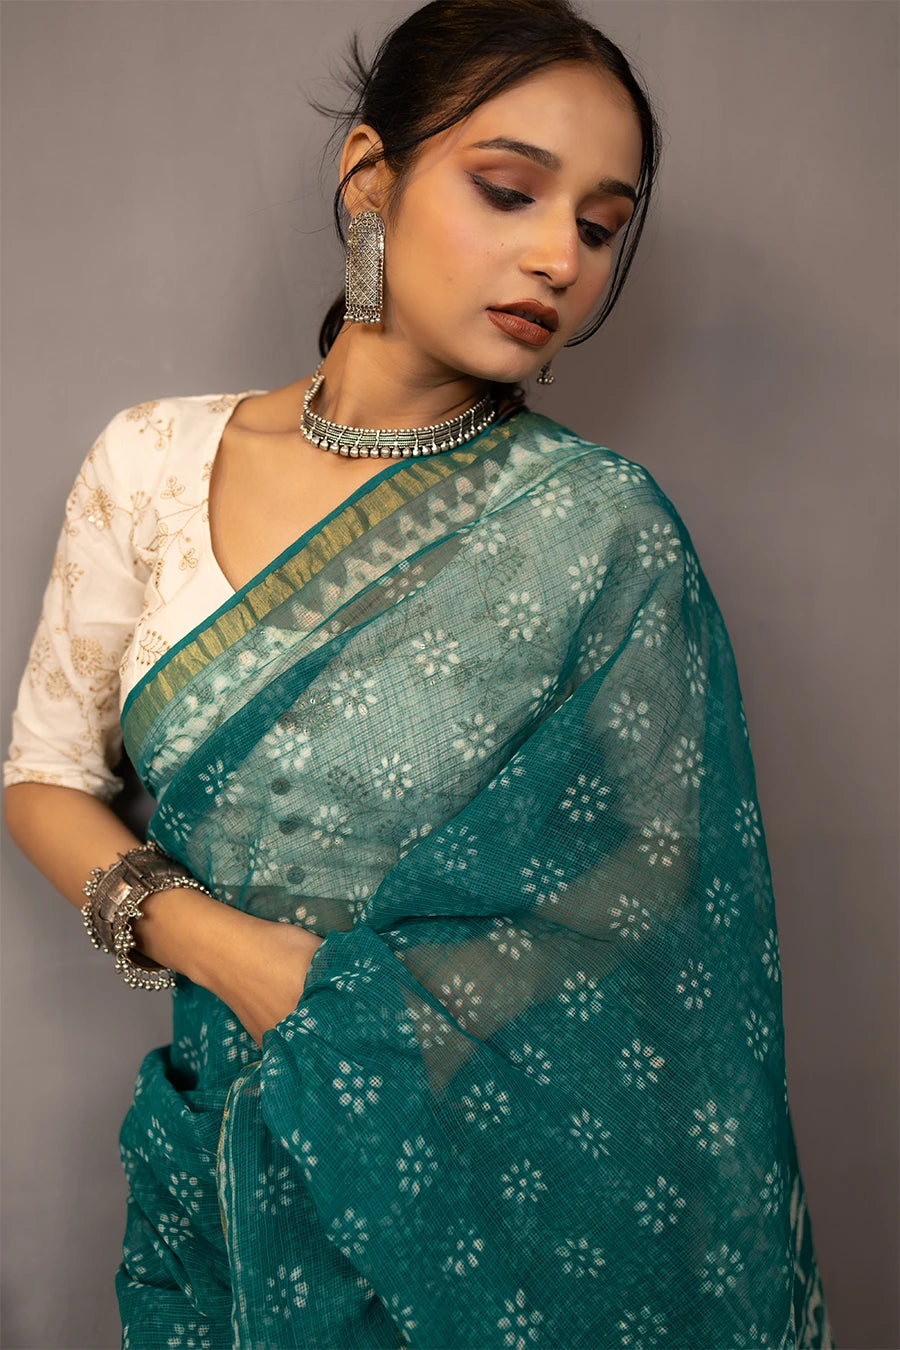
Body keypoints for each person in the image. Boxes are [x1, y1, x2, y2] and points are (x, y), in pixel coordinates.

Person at [3, 1, 836, 1346]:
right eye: (509, 190)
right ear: (369, 182)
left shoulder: (598, 527)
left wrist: (388, 1028)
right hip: (211, 1153)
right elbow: (44, 777)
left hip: (479, 1176)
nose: (558, 255)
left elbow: (653, 874)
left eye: (601, 224)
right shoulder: (149, 463)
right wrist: (234, 954)